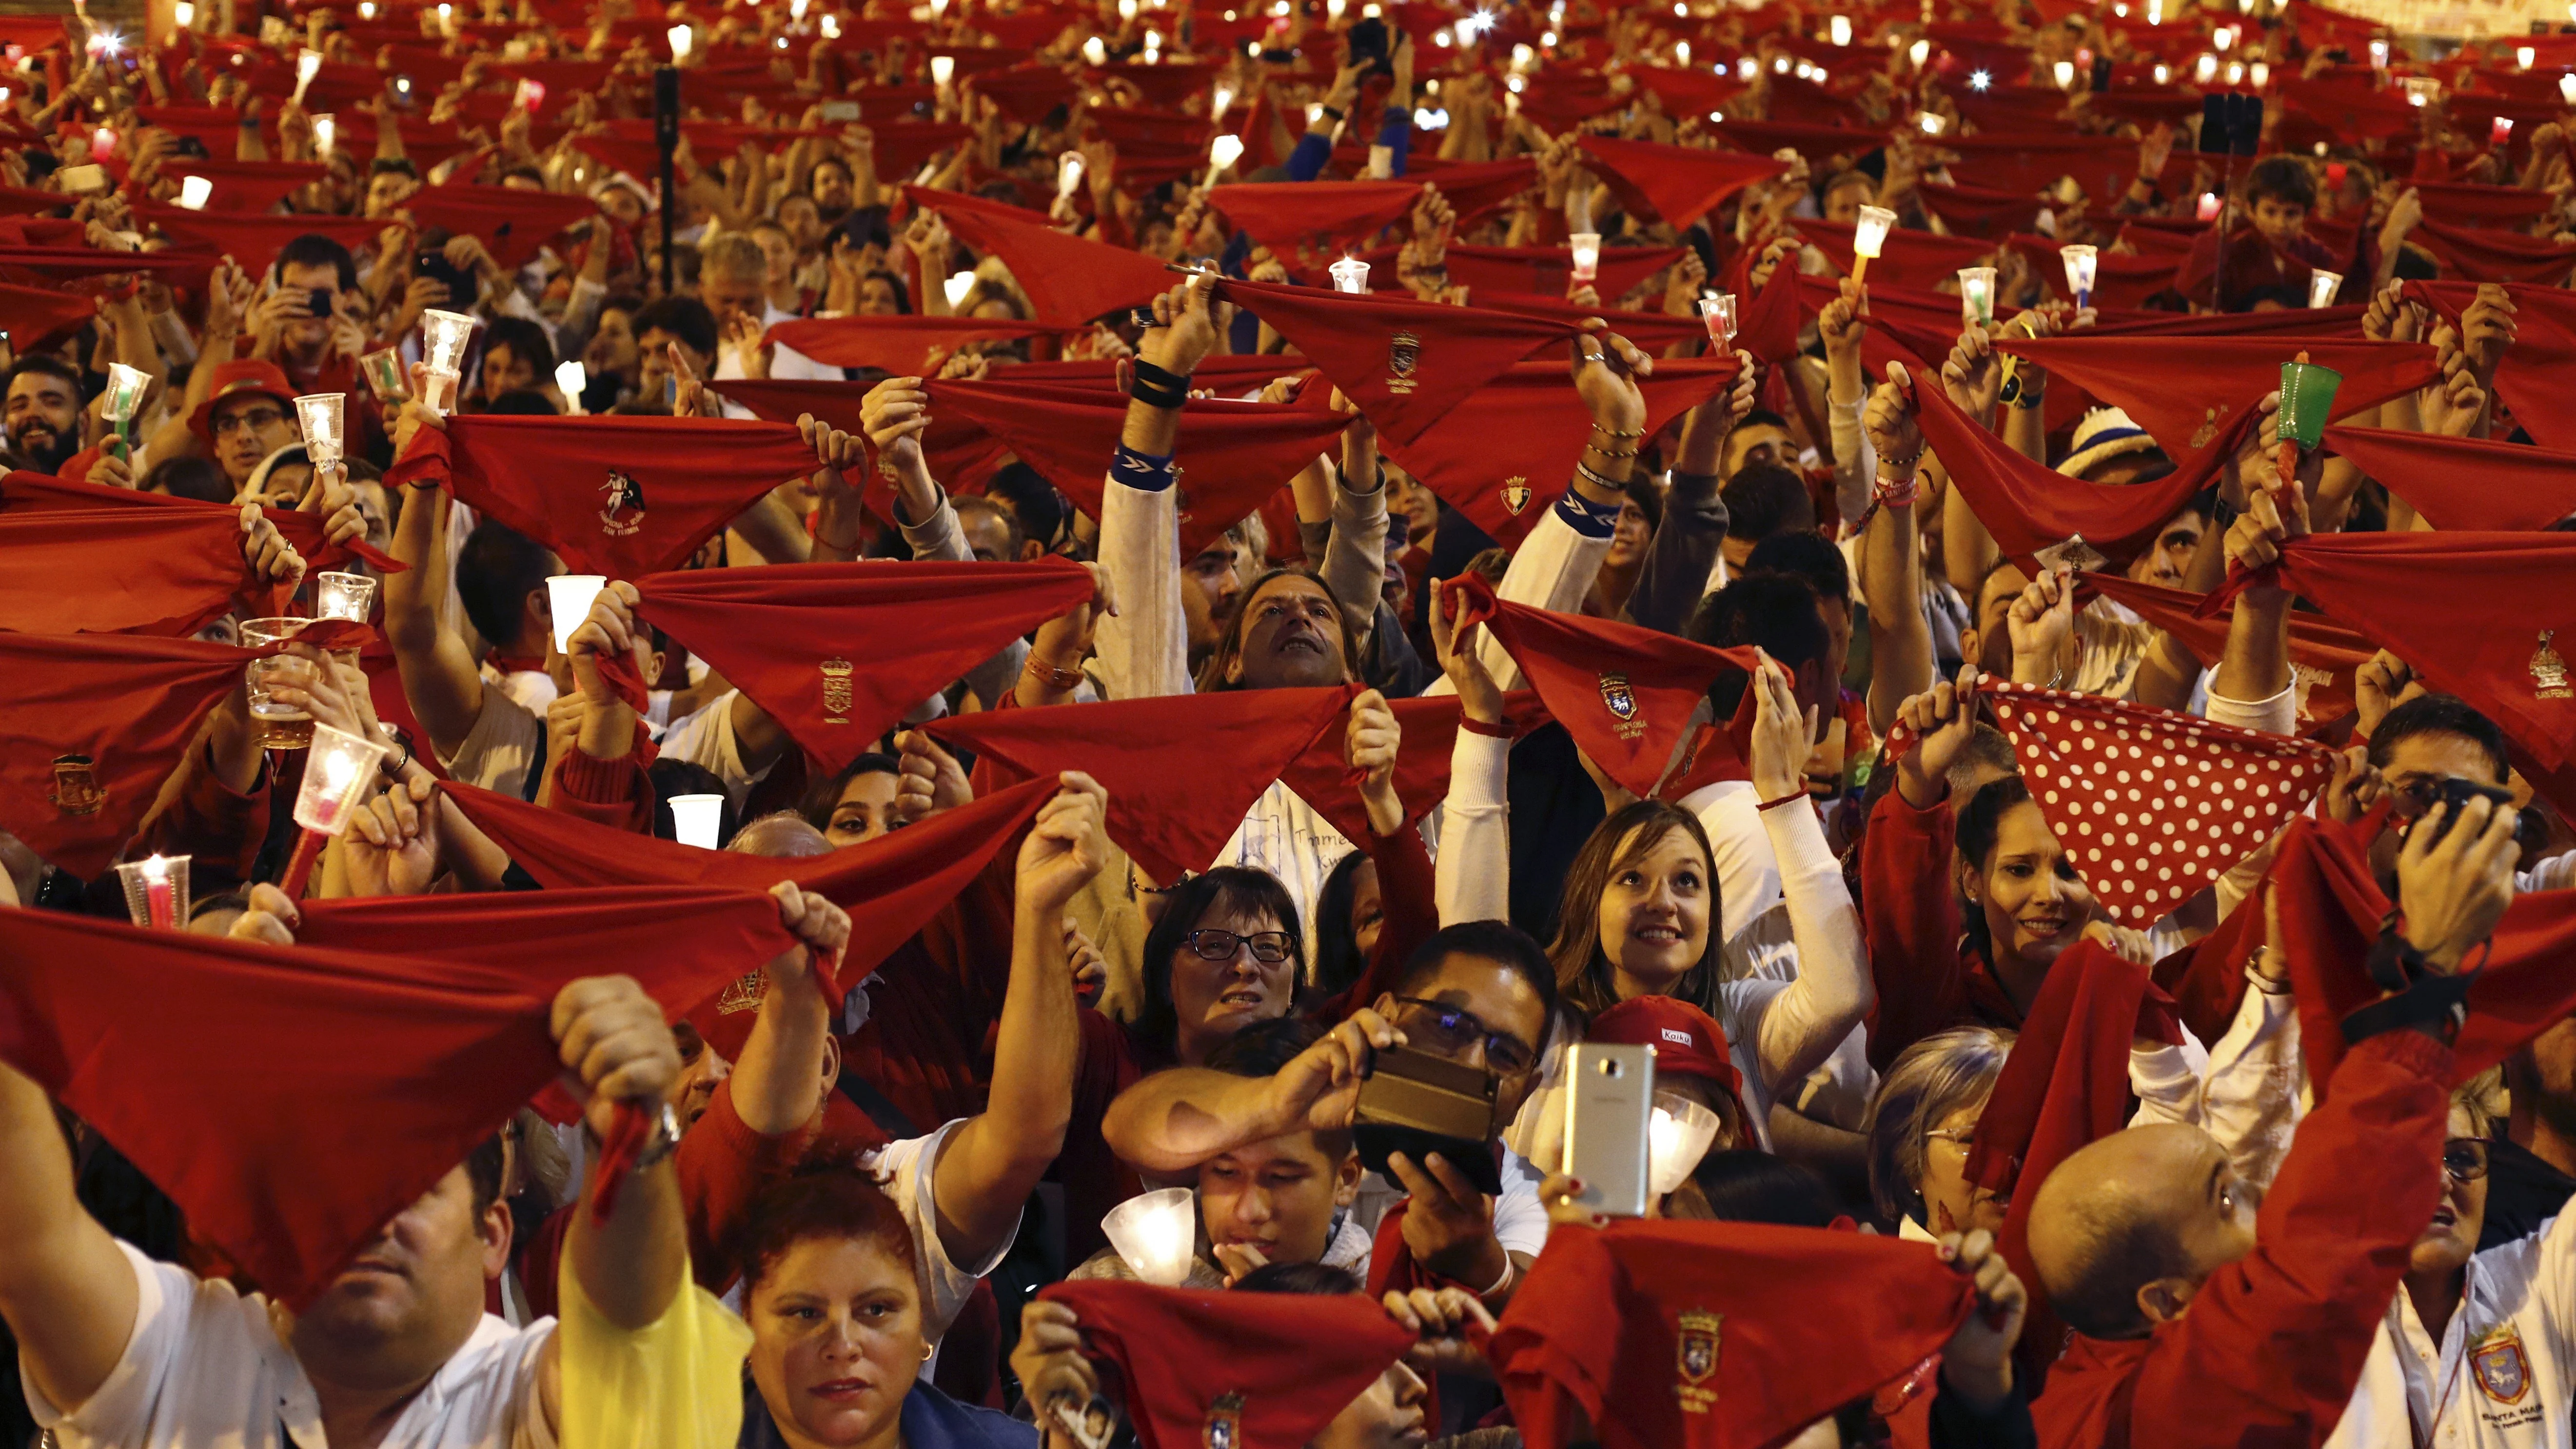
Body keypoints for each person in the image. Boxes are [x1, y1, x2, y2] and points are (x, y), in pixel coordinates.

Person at [0, 966, 691, 1448]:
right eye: (331, 1182)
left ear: (493, 1235)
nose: (371, 1213)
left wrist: (633, 1139)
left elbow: (627, 1341)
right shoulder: (173, 1348)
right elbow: (29, 1243)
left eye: (413, 1183)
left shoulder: (520, 1394)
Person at [2024, 788, 2521, 1449]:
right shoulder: (2172, 1412)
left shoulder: (2113, 1366)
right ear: (2168, 1302)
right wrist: (2423, 988)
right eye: (2226, 1198)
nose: (2263, 1188)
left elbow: (2247, 1144)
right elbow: (2320, 1248)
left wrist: (2282, 970)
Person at [1103, 920, 1559, 1307]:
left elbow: (1558, 1328)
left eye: (1506, 1056)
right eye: (1448, 1025)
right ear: (1387, 1014)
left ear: (1524, 1093)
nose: (1471, 1063)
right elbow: (1127, 1127)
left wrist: (1484, 1267)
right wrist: (1272, 1106)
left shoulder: (1520, 1198)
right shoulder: (1310, 1097)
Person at [1070, 1018, 1370, 1287]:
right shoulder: (1116, 1287)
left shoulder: (1384, 1299)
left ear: (1346, 1179)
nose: (1248, 1212)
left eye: (1282, 1177)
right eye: (1226, 1172)